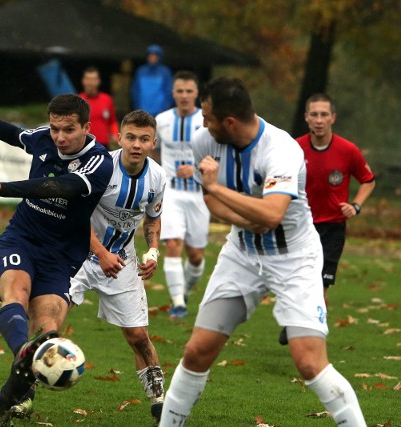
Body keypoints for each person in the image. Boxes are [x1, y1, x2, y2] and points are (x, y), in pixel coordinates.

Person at [159, 77, 366, 426]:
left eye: (208, 117)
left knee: (309, 363)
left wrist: (216, 189)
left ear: (229, 122)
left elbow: (271, 214)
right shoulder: (203, 141)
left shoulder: (282, 150)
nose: (202, 123)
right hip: (241, 255)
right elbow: (211, 201)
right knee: (197, 351)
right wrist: (237, 212)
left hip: (294, 259)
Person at [0, 93, 114, 425]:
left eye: (68, 130)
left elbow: (59, 186)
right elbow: (15, 134)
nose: (60, 137)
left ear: (87, 126)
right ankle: (23, 359)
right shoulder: (45, 138)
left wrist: (1, 187)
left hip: (62, 253)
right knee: (16, 293)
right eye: (55, 129)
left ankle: (8, 397)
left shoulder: (99, 161)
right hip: (22, 237)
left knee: (48, 331)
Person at [69, 110, 167, 422]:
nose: (136, 144)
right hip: (79, 256)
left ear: (153, 143)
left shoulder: (158, 177)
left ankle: (159, 402)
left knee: (138, 335)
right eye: (131, 137)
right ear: (119, 138)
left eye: (144, 139)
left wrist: (152, 250)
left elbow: (152, 217)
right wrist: (99, 252)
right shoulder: (101, 167)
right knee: (49, 320)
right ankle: (23, 390)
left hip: (122, 261)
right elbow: (75, 214)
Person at [278, 93, 376, 345]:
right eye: (314, 114)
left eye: (324, 114)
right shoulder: (294, 148)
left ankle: (307, 332)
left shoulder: (348, 150)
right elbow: (277, 177)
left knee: (321, 283)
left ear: (333, 118)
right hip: (300, 225)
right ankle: (295, 320)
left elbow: (368, 180)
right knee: (297, 279)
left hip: (332, 227)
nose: (319, 120)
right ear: (306, 117)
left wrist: (356, 205)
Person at [155, 71, 208, 319]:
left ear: (196, 93)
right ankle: (178, 303)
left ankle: (184, 291)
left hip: (200, 194)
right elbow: (151, 150)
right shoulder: (162, 120)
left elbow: (218, 156)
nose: (184, 96)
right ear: (173, 93)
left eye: (189, 91)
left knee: (196, 256)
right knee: (173, 244)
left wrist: (197, 169)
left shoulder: (207, 121)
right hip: (171, 192)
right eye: (180, 91)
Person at [78, 66, 119, 150]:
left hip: (104, 146)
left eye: (93, 79)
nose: (90, 83)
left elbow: (112, 121)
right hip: (84, 146)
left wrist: (115, 134)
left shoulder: (107, 99)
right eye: (88, 79)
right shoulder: (77, 101)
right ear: (83, 81)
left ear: (98, 81)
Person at [131, 44, 173, 117]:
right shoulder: (141, 71)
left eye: (155, 55)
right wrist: (137, 108)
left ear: (159, 57)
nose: (152, 58)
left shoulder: (165, 72)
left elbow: (169, 92)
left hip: (160, 112)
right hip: (142, 112)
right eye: (150, 55)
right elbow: (135, 91)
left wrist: (164, 109)